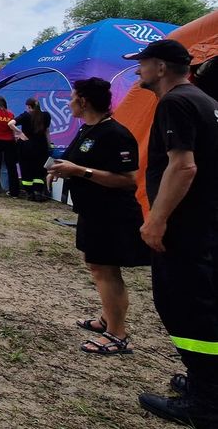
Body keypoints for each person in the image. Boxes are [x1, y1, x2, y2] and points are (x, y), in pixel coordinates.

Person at [125, 39, 218, 427]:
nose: (137, 70)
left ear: (161, 67)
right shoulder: (206, 101)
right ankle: (205, 384)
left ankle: (207, 403)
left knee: (186, 308)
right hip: (204, 221)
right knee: (201, 303)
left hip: (186, 224)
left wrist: (157, 218)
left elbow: (184, 167)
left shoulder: (175, 102)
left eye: (142, 63)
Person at [46, 78, 149, 356]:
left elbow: (128, 180)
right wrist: (60, 169)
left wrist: (81, 172)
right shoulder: (88, 130)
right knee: (97, 267)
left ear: (84, 101)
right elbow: (76, 163)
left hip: (111, 214)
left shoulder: (115, 133)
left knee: (106, 270)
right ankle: (107, 318)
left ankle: (117, 334)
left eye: (71, 98)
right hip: (92, 211)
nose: (68, 103)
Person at [15, 98, 52, 201]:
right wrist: (49, 145)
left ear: (28, 106)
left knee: (26, 169)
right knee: (40, 170)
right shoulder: (46, 116)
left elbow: (10, 123)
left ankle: (29, 193)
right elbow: (47, 132)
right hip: (41, 146)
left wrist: (19, 133)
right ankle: (38, 192)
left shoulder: (25, 116)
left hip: (26, 146)